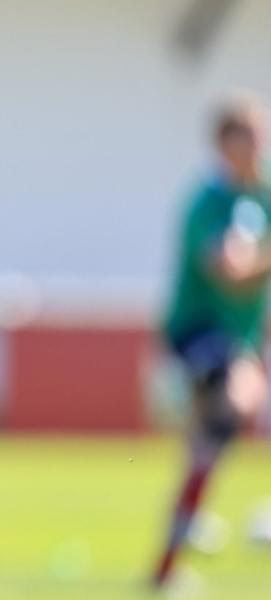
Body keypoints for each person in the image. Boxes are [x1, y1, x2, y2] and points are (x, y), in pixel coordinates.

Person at [154, 89, 271, 587]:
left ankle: (168, 562)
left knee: (207, 448)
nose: (259, 146)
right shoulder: (209, 200)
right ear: (224, 144)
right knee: (241, 400)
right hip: (197, 335)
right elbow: (229, 270)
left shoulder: (261, 196)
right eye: (249, 137)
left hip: (237, 340)